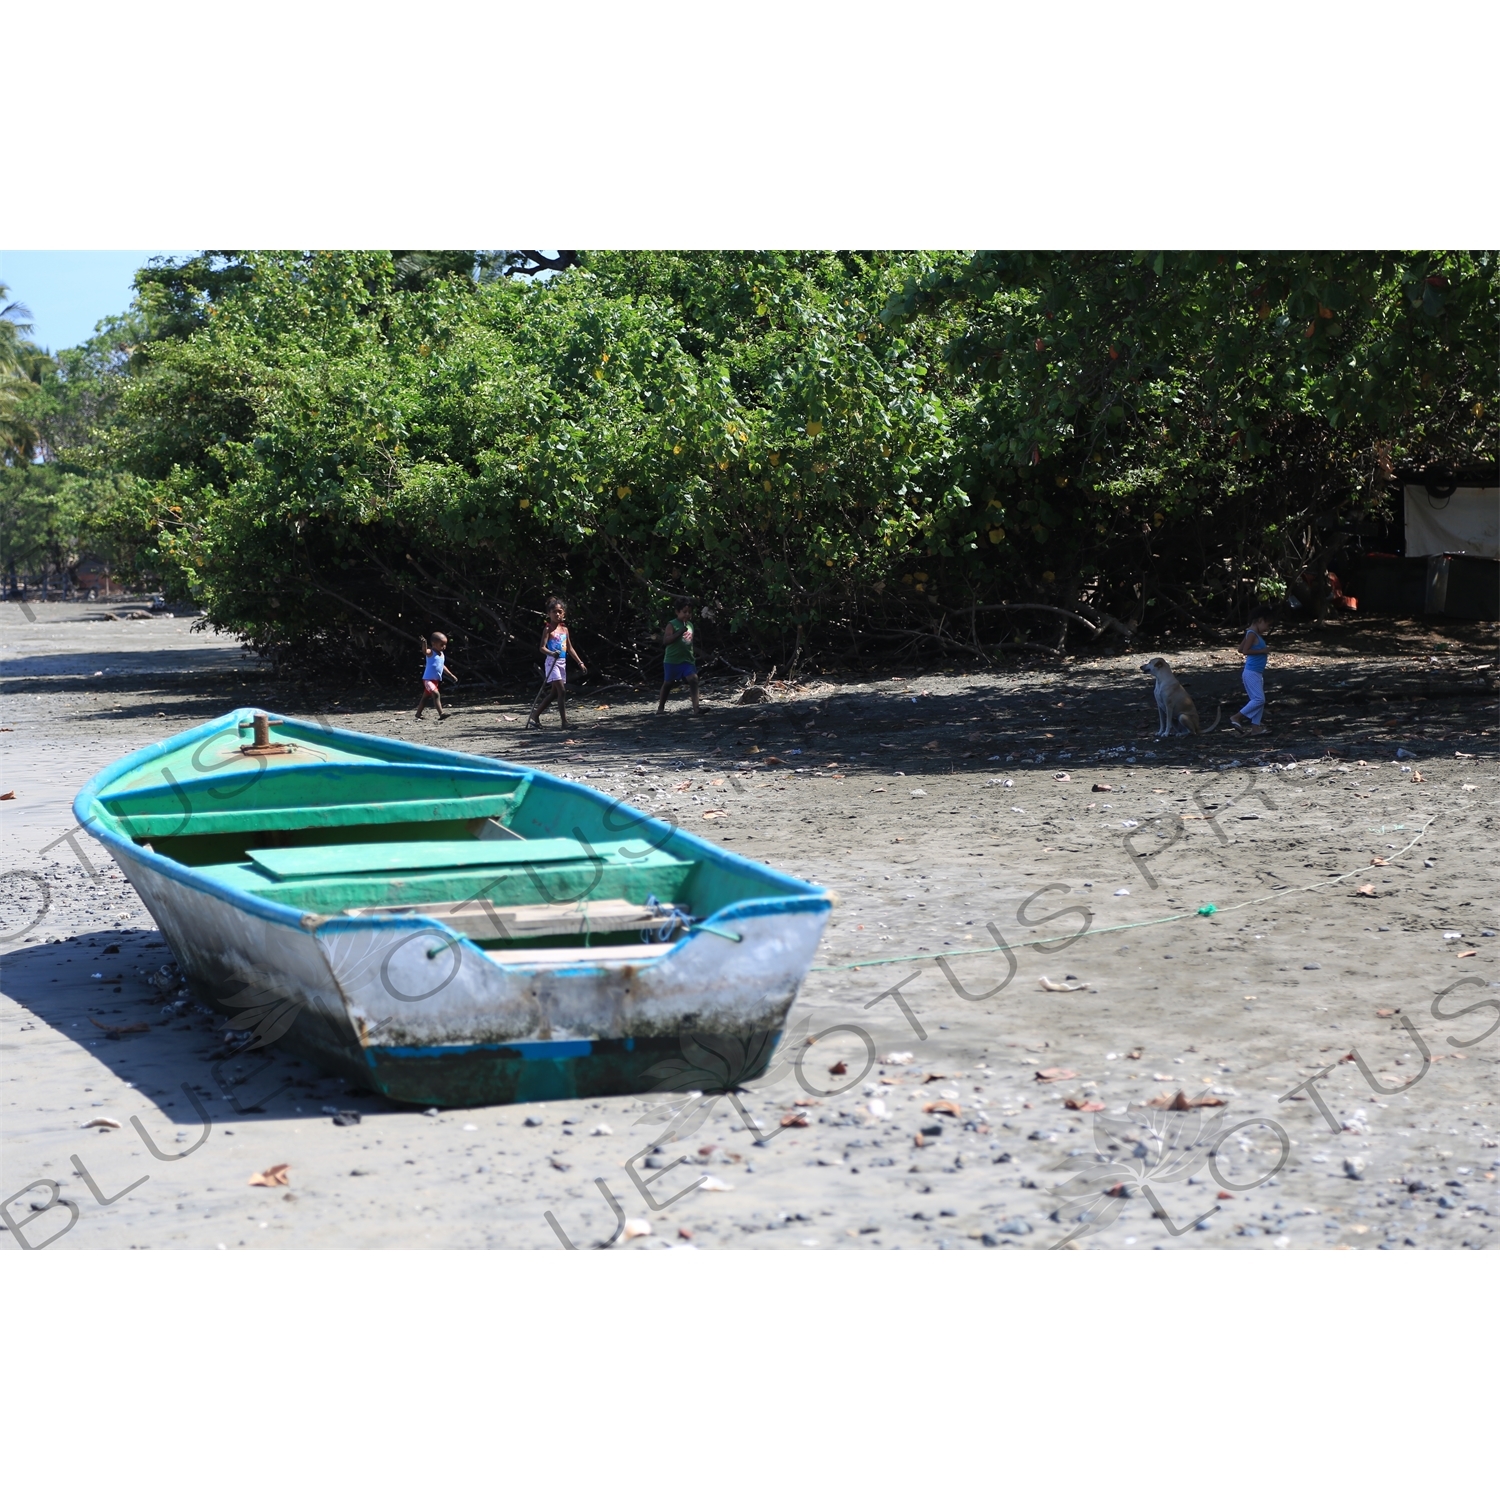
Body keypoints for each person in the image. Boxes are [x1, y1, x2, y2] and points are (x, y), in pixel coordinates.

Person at [526, 597, 586, 729]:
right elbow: (542, 647)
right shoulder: (548, 629)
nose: (557, 614)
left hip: (561, 662)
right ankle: (564, 723)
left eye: (560, 611)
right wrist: (552, 653)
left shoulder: (564, 629)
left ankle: (535, 716)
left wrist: (580, 662)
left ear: (564, 613)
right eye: (554, 612)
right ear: (549, 614)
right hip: (551, 662)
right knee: (562, 691)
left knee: (554, 693)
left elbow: (569, 648)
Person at [656, 597, 706, 714]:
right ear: (677, 612)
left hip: (687, 660)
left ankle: (696, 708)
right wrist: (679, 632)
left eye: (689, 612)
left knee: (693, 679)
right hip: (672, 660)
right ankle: (661, 707)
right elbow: (666, 641)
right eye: (684, 612)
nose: (687, 615)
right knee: (668, 683)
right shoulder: (672, 624)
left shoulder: (690, 625)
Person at [1231, 605, 1272, 733]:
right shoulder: (1252, 634)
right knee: (1259, 699)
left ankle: (1256, 727)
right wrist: (1263, 650)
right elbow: (1244, 651)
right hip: (1252, 672)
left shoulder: (1251, 633)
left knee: (1258, 700)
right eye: (1267, 624)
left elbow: (1239, 648)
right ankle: (1236, 717)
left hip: (1257, 673)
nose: (1267, 628)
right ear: (1260, 620)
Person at [416, 632, 457, 719]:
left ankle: (418, 713)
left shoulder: (442, 655)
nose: (444, 647)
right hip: (428, 680)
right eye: (441, 644)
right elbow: (424, 651)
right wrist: (424, 644)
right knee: (436, 693)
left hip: (435, 680)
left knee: (425, 698)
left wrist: (451, 675)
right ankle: (441, 713)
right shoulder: (431, 652)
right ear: (433, 644)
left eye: (445, 645)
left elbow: (442, 666)